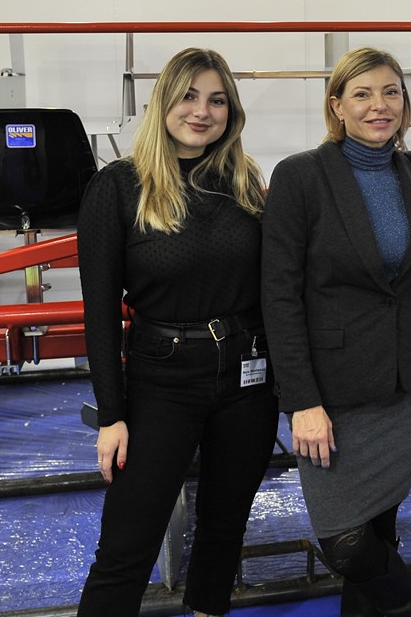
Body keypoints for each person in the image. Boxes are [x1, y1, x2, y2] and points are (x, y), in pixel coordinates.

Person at [261, 47, 411, 617]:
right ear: (336, 106)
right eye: (363, 94)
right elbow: (279, 297)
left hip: (403, 379)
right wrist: (302, 401)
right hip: (333, 390)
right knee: (345, 542)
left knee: (380, 524)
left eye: (391, 92)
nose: (380, 106)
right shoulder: (301, 177)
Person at [76, 47, 278, 617]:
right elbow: (99, 312)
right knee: (128, 543)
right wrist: (111, 415)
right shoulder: (118, 187)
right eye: (188, 96)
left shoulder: (244, 181)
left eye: (217, 100)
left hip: (247, 377)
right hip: (161, 380)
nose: (202, 112)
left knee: (224, 526)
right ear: (162, 101)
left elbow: (275, 287)